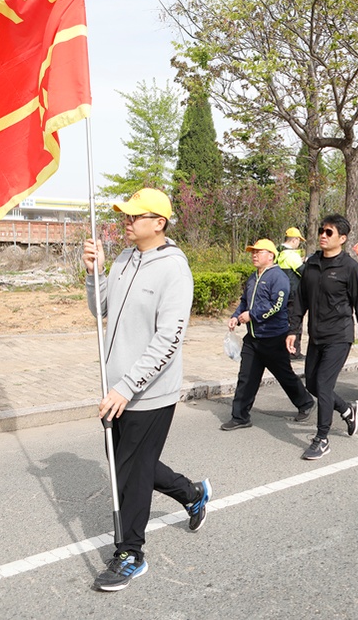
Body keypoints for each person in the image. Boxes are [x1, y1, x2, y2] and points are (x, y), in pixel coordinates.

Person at [83, 188, 210, 592]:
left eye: (136, 216)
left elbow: (168, 339)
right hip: (116, 386)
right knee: (130, 463)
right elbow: (99, 309)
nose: (127, 220)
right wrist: (94, 273)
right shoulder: (124, 258)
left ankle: (131, 553)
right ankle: (191, 493)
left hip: (149, 392)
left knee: (130, 472)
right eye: (125, 214)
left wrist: (127, 387)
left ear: (159, 222)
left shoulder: (174, 269)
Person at [287, 214, 358, 460]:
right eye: (321, 231)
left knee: (324, 384)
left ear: (342, 239)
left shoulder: (350, 268)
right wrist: (294, 330)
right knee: (312, 384)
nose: (323, 235)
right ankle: (347, 410)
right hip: (316, 335)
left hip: (339, 335)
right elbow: (300, 300)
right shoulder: (312, 263)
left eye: (329, 232)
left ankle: (322, 438)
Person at [221, 239, 315, 431]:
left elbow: (277, 305)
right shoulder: (253, 277)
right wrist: (236, 317)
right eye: (252, 252)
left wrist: (252, 315)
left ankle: (305, 402)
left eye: (259, 252)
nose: (254, 255)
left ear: (270, 255)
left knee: (284, 375)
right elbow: (244, 302)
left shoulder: (278, 277)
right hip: (253, 339)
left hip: (273, 338)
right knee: (246, 377)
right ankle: (240, 416)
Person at [277, 227, 306, 359]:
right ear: (294, 240)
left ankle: (282, 349)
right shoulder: (292, 255)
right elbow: (303, 272)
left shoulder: (277, 253)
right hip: (294, 294)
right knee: (295, 322)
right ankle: (294, 352)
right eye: (299, 240)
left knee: (283, 322)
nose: (299, 243)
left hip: (281, 293)